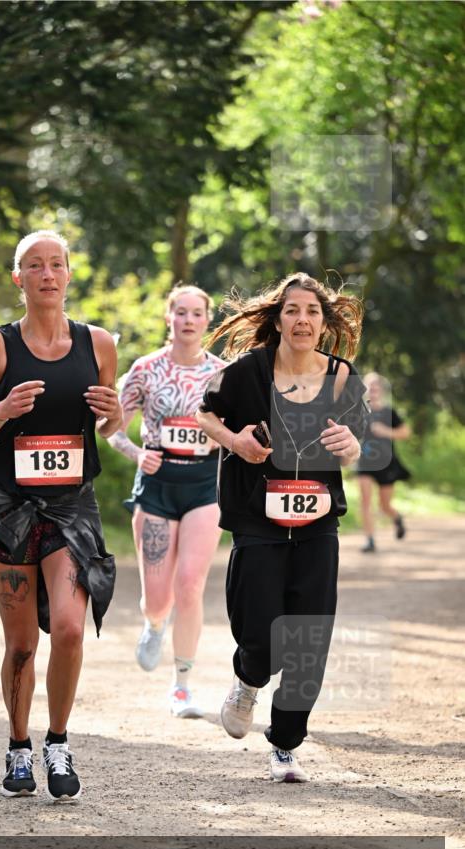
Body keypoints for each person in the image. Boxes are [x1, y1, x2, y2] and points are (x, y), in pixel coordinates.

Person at [0, 229, 121, 803]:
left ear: (69, 275)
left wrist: (116, 417)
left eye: (56, 264)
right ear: (19, 278)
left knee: (68, 629)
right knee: (21, 644)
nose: (47, 274)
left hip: (71, 508)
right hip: (8, 510)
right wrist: (3, 410)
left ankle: (57, 741)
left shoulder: (100, 344)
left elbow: (110, 430)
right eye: (34, 266)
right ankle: (18, 746)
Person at [196, 273, 368, 783]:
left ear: (324, 321)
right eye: (292, 310)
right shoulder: (245, 372)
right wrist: (236, 441)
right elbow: (205, 417)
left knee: (310, 638)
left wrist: (352, 445)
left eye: (312, 312)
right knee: (262, 636)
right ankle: (248, 680)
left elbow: (359, 439)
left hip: (317, 524)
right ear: (278, 319)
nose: (302, 320)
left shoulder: (341, 376)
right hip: (258, 519)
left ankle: (286, 745)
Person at [109, 285, 226, 718]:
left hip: (204, 485)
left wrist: (226, 443)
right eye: (181, 312)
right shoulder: (145, 370)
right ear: (169, 318)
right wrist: (138, 453)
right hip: (157, 485)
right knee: (158, 598)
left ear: (206, 321)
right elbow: (110, 427)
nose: (189, 320)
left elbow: (241, 429)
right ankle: (154, 622)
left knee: (191, 584)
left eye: (197, 313)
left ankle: (182, 686)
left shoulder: (222, 375)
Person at [357, 372, 411, 552]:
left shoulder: (389, 412)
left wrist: (385, 431)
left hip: (386, 462)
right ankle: (370, 540)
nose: (372, 390)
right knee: (365, 501)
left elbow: (405, 433)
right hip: (364, 462)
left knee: (384, 505)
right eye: (369, 386)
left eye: (375, 386)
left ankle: (396, 518)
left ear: (380, 389)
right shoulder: (358, 411)